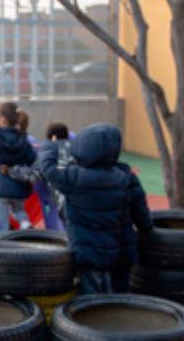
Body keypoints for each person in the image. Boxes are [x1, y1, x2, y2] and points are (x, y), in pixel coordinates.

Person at [37, 123, 152, 294]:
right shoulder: (127, 177)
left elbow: (48, 169)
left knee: (90, 299)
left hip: (88, 254)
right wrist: (147, 228)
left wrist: (50, 146)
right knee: (121, 295)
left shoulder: (74, 177)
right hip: (121, 251)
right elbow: (140, 212)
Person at [0, 101, 36, 234]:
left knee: (2, 225)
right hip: (19, 187)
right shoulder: (24, 139)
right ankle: (25, 224)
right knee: (19, 210)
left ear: (1, 120)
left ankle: (5, 248)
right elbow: (32, 159)